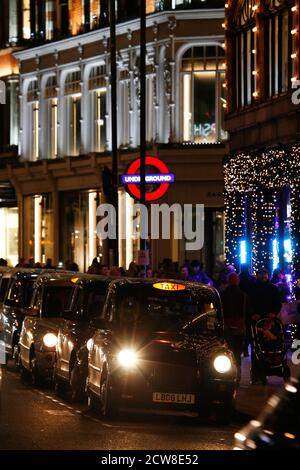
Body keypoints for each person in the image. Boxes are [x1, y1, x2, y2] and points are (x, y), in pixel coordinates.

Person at [249, 268, 282, 384]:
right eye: (261, 274)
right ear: (257, 275)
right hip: (257, 321)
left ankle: (270, 367)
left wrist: (273, 313)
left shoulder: (273, 289)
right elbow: (249, 303)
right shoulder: (252, 289)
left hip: (269, 321)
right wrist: (253, 314)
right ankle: (256, 372)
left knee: (269, 345)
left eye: (265, 274)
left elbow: (278, 303)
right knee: (256, 347)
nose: (263, 276)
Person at [221, 272, 250, 384]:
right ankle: (237, 374)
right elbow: (247, 312)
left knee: (226, 351)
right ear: (237, 281)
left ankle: (228, 374)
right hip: (239, 327)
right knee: (237, 353)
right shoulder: (243, 295)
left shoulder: (223, 294)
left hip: (226, 327)